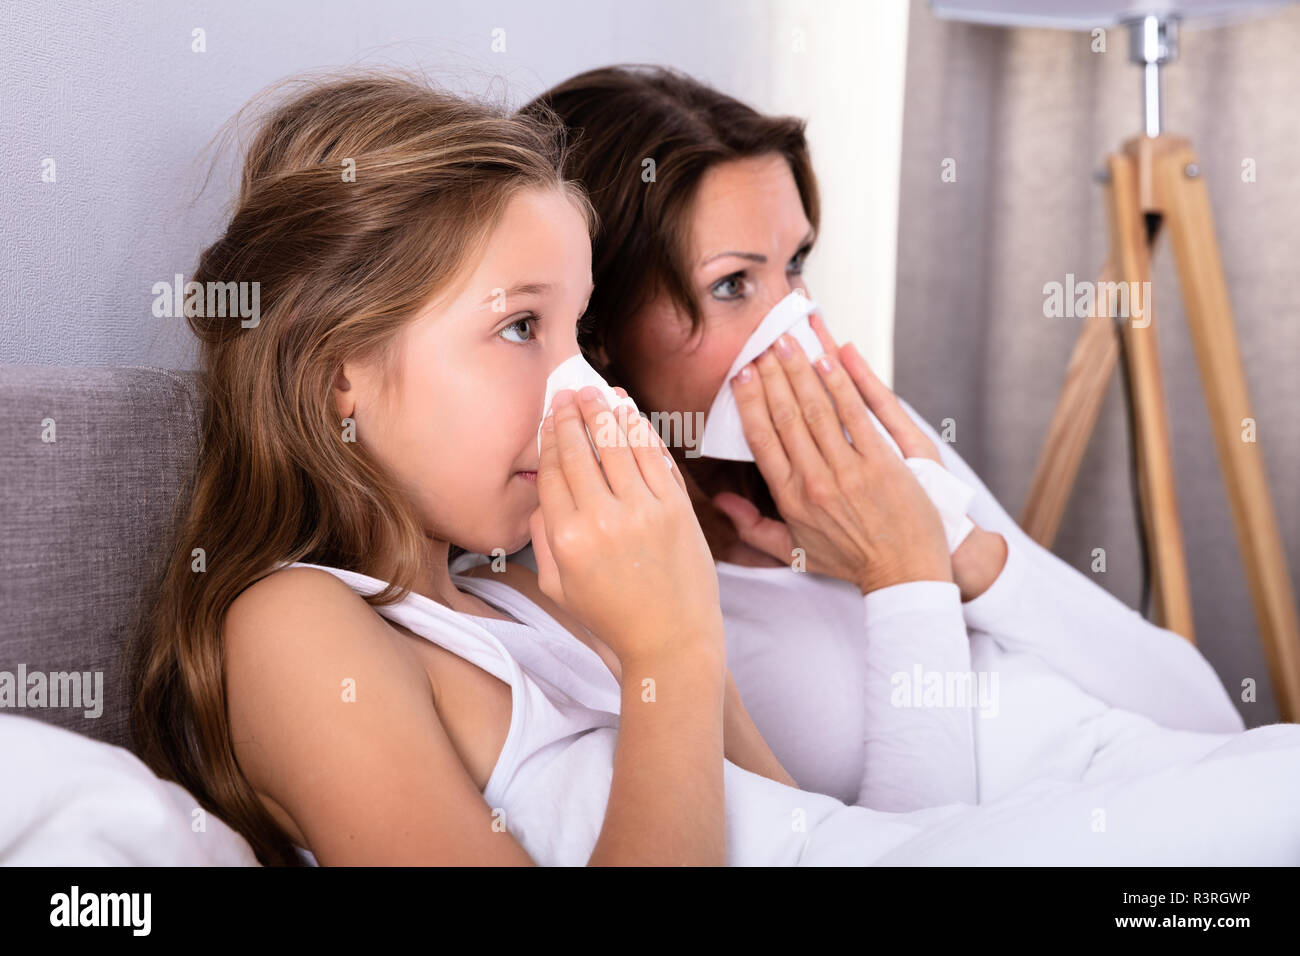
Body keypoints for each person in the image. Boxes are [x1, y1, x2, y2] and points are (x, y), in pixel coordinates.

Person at [127, 69, 1300, 867]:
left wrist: (929, 558)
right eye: (520, 328)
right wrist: (677, 642)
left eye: (573, 329)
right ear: (344, 370)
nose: (579, 388)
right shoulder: (294, 622)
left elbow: (810, 822)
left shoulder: (519, 594)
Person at [520, 65, 1266, 813]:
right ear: (599, 324)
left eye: (795, 267)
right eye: (732, 286)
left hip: (1220, 791)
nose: (797, 325)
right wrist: (903, 572)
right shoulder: (624, 585)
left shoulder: (869, 453)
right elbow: (906, 846)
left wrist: (963, 547)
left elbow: (1207, 717)